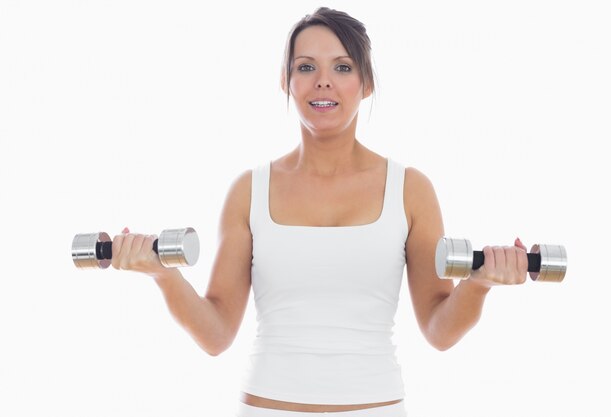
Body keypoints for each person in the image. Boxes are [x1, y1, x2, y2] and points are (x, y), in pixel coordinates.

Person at [110, 7, 528, 417]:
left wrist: (477, 285)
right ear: (286, 82)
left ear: (365, 84)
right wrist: (163, 274)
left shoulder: (410, 190)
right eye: (306, 67)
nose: (323, 82)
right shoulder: (248, 191)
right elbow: (216, 334)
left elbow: (439, 330)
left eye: (343, 68)